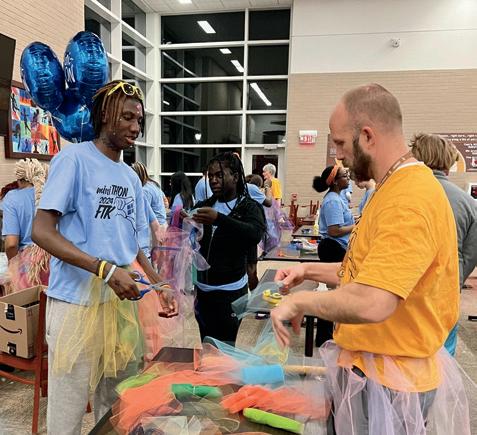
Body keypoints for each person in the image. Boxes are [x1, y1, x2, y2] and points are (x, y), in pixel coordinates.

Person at [271, 84, 468, 434]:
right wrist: (307, 270)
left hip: (389, 385)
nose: (338, 157)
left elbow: (374, 300)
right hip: (371, 373)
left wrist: (299, 303)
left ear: (367, 136)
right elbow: (366, 272)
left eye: (340, 143)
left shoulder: (409, 199)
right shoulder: (390, 188)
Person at [31, 80, 178, 435]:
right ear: (103, 116)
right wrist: (105, 270)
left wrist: (158, 282)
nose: (135, 127)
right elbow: (42, 231)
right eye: (127, 117)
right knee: (67, 408)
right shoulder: (74, 160)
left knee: (116, 404)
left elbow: (133, 243)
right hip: (75, 305)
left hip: (119, 306)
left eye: (139, 120)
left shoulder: (130, 177)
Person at [410, 132, 477, 356]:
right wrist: (453, 281)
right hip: (444, 296)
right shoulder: (468, 204)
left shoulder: (401, 194)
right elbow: (470, 255)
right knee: (441, 362)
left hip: (404, 293)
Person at [191, 152, 266, 344]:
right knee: (207, 343)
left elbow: (254, 233)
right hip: (203, 292)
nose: (213, 180)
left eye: (219, 175)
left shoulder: (249, 207)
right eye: (210, 176)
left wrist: (219, 219)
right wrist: (182, 222)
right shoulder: (204, 206)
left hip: (231, 293)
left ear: (235, 176)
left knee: (227, 346)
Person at [1, 158, 49, 291]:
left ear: (19, 180)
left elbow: (11, 244)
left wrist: (13, 266)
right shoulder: (52, 194)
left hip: (29, 268)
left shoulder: (12, 198)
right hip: (55, 260)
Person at [313, 165, 355, 263]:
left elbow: (341, 221)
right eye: (344, 176)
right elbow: (334, 231)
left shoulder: (337, 197)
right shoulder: (333, 200)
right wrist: (357, 226)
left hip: (338, 247)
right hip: (334, 250)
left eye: (347, 175)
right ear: (335, 181)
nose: (348, 178)